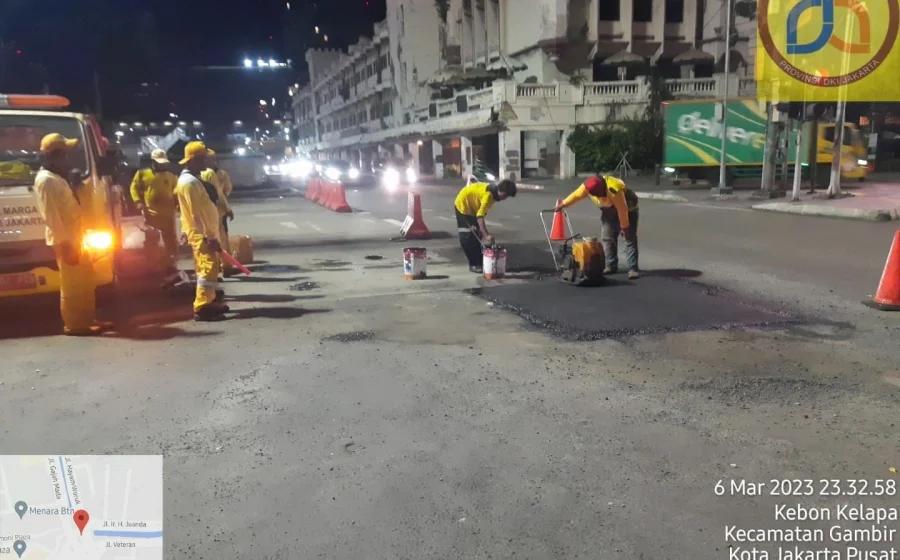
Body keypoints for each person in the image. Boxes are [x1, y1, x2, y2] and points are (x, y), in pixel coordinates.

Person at [33, 133, 114, 336]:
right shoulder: (46, 181)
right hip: (66, 242)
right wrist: (66, 245)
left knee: (85, 281)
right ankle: (75, 325)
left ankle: (88, 319)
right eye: (66, 154)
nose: (69, 159)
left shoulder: (58, 178)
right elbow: (51, 217)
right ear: (56, 155)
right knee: (72, 286)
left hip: (77, 239)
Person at [175, 141, 228, 321]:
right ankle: (202, 306)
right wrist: (210, 236)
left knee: (205, 266)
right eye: (203, 159)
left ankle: (209, 298)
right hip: (202, 234)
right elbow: (196, 214)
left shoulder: (192, 180)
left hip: (201, 233)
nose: (206, 163)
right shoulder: (189, 183)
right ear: (194, 160)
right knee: (208, 267)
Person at [550, 175, 640, 279]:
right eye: (594, 194)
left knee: (629, 238)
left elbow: (622, 210)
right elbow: (576, 195)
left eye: (598, 193)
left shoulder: (614, 189)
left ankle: (633, 269)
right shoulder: (587, 186)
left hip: (629, 210)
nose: (597, 196)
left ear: (603, 187)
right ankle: (611, 266)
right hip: (609, 211)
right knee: (607, 238)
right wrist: (563, 205)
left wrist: (624, 227)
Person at [130, 149, 179, 280]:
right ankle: (153, 266)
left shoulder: (171, 176)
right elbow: (134, 187)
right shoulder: (142, 174)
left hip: (168, 214)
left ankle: (170, 265)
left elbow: (177, 191)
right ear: (153, 161)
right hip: (151, 215)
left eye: (164, 163)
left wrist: (179, 203)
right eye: (159, 163)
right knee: (152, 241)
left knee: (171, 241)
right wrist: (138, 202)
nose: (162, 165)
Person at [453, 179, 516, 273]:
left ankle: (480, 261)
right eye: (505, 195)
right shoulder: (488, 196)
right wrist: (486, 235)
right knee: (467, 236)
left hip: (473, 207)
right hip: (463, 206)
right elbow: (480, 216)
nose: (505, 198)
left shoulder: (494, 191)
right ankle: (473, 264)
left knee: (477, 235)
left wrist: (482, 232)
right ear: (501, 191)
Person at [200, 151, 236, 277]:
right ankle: (225, 266)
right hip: (217, 212)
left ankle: (213, 269)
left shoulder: (196, 175)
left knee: (207, 240)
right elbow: (220, 194)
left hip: (204, 213)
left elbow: (226, 190)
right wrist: (227, 209)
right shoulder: (209, 174)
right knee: (221, 239)